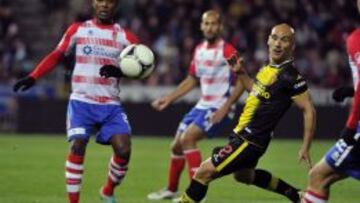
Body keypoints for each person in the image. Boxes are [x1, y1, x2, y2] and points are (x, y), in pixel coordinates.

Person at [13, 0, 139, 203]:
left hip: (111, 105)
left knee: (124, 150)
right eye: (100, 1)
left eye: (109, 2)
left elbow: (143, 67)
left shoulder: (127, 37)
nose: (104, 5)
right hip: (82, 102)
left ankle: (107, 191)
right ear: (93, 3)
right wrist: (34, 76)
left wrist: (121, 70)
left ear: (116, 5)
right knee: (77, 145)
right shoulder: (78, 30)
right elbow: (57, 55)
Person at [178, 23, 316, 203]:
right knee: (244, 176)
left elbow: (309, 110)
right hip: (246, 136)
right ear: (268, 40)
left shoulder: (291, 77)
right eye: (274, 38)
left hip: (250, 139)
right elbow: (255, 91)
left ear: (293, 46)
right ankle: (295, 195)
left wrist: (306, 146)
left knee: (204, 172)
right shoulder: (268, 69)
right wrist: (241, 74)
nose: (278, 44)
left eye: (284, 40)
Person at [147, 10, 245, 201]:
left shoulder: (228, 50)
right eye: (206, 24)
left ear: (221, 27)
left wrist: (226, 107)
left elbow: (242, 80)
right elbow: (192, 80)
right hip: (202, 106)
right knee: (176, 146)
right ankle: (171, 189)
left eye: (214, 24)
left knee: (188, 139)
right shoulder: (199, 49)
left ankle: (197, 195)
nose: (210, 27)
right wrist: (168, 98)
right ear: (201, 26)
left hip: (219, 107)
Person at [302, 1, 360, 202]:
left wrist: (350, 128)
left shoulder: (356, 40)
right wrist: (351, 91)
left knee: (318, 176)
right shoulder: (353, 39)